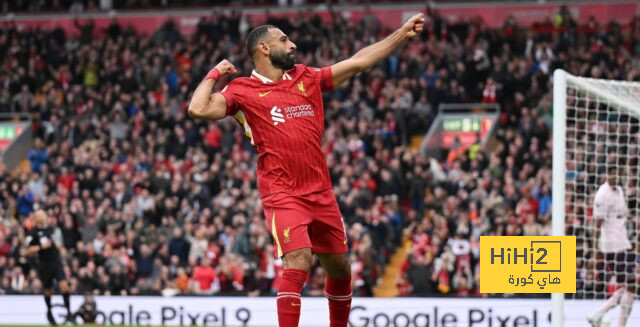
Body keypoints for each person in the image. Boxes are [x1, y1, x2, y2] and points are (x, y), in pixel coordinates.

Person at [188, 14, 424, 327]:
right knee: (298, 260)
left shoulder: (306, 78)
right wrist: (215, 72)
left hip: (321, 190)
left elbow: (358, 63)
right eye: (284, 39)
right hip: (282, 192)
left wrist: (401, 33)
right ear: (265, 48)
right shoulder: (242, 90)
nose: (293, 44)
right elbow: (198, 109)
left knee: (340, 267)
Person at [587, 166, 635, 327]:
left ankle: (598, 314)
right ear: (607, 174)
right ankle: (606, 317)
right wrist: (595, 250)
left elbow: (622, 215)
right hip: (612, 246)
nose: (616, 177)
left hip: (624, 242)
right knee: (631, 285)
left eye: (618, 174)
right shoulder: (602, 195)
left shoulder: (620, 191)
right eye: (613, 174)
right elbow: (597, 223)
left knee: (630, 287)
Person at [24, 210, 73, 325]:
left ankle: (69, 313)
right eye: (40, 215)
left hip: (56, 262)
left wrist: (60, 248)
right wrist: (41, 247)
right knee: (48, 290)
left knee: (64, 286)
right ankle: (49, 312)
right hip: (45, 265)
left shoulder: (50, 229)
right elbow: (27, 250)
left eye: (44, 214)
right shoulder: (33, 232)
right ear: (36, 218)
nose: (44, 216)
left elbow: (55, 243)